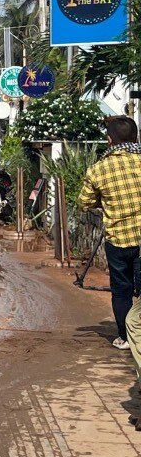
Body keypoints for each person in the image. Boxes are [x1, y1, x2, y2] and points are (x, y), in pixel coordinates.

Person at [78, 115, 141, 351]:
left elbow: (84, 202)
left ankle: (126, 337)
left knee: (122, 290)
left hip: (119, 240)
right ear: (136, 137)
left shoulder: (98, 169)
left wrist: (104, 200)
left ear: (109, 140)